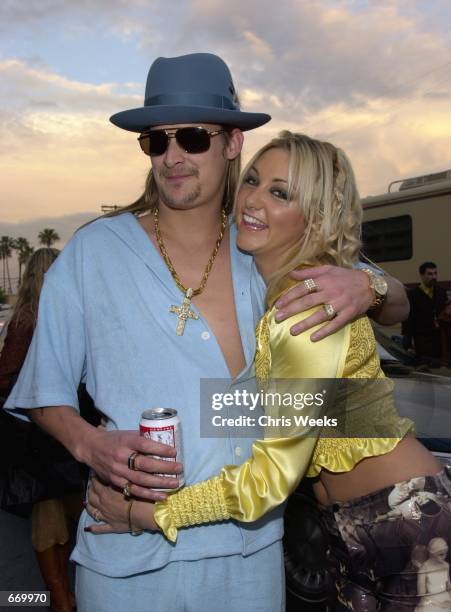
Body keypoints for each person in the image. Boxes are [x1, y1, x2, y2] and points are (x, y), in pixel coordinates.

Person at [4, 55, 408, 612]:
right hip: (127, 551)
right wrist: (91, 443)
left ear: (232, 143)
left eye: (193, 138)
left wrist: (370, 286)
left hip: (249, 556)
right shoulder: (93, 253)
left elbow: (390, 307)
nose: (173, 157)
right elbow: (43, 389)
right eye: (156, 141)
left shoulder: (263, 247)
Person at [86, 132, 451, 610]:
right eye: (253, 181)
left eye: (280, 193)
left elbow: (270, 481)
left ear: (317, 215)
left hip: (405, 518)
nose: (253, 199)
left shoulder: (305, 306)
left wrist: (148, 516)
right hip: (357, 522)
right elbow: (310, 412)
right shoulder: (287, 280)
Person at [0, 248, 81, 612]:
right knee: (62, 513)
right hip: (65, 433)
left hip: (34, 439)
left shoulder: (25, 321)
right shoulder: (69, 318)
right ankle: (63, 594)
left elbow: (6, 377)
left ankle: (60, 596)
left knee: (48, 520)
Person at [403, 261, 448, 364]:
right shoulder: (413, 294)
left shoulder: (441, 292)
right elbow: (408, 319)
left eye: (435, 273)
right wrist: (408, 344)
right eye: (430, 274)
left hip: (439, 339)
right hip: (422, 340)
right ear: (422, 275)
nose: (434, 277)